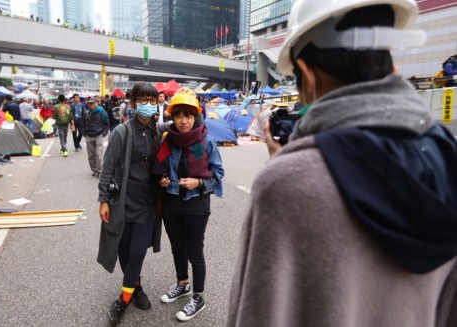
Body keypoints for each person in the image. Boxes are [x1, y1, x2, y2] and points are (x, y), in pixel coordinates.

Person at [228, 1, 457, 326]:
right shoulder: (446, 154)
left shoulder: (285, 183)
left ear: (307, 76)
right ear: (391, 69)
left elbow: (258, 313)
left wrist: (287, 168)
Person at [97, 83, 164, 326]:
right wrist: (103, 200)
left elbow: (186, 130)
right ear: (133, 103)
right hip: (122, 202)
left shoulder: (159, 131)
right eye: (142, 100)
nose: (148, 104)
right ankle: (135, 287)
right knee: (125, 252)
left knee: (137, 251)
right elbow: (107, 168)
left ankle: (122, 301)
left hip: (147, 204)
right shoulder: (121, 132)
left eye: (152, 99)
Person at [155, 93, 224, 322]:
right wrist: (163, 179)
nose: (183, 121)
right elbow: (160, 168)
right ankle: (182, 285)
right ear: (172, 117)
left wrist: (199, 181)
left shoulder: (201, 143)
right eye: (179, 116)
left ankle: (198, 296)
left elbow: (217, 173)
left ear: (196, 118)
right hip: (171, 201)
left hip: (196, 203)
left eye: (188, 116)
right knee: (177, 248)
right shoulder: (169, 140)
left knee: (194, 250)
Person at [82, 97, 109, 177]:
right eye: (89, 103)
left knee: (98, 154)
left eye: (92, 103)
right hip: (89, 136)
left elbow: (107, 124)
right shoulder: (87, 113)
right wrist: (84, 134)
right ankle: (94, 170)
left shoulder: (102, 112)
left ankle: (99, 171)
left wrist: (103, 134)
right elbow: (82, 124)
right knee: (91, 155)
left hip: (99, 135)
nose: (91, 105)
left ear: (97, 103)